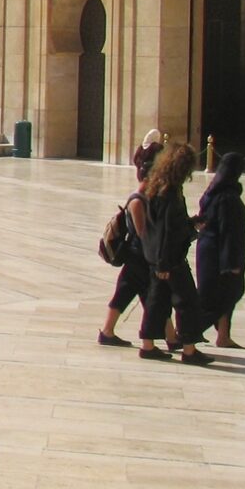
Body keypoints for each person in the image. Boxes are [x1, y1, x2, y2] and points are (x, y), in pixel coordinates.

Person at [137, 142, 210, 364]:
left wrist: (191, 223)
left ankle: (148, 345)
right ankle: (189, 349)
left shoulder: (156, 188)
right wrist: (164, 264)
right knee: (187, 301)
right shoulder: (170, 193)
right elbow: (167, 230)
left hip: (156, 256)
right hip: (169, 258)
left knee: (157, 300)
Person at [99, 131, 167, 347]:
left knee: (130, 291)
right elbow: (142, 232)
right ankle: (167, 336)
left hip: (136, 253)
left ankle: (107, 331)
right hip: (139, 253)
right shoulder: (139, 198)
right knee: (152, 296)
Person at [195, 152, 245, 349]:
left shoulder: (211, 193)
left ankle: (223, 336)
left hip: (208, 252)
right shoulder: (228, 198)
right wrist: (231, 265)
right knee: (220, 297)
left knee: (224, 296)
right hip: (220, 256)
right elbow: (229, 232)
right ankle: (188, 331)